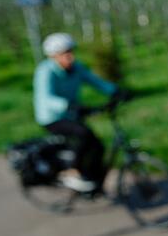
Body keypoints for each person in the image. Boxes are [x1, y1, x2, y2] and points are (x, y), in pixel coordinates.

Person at [34, 33, 118, 193]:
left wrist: (115, 91)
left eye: (71, 51)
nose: (70, 56)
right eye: (65, 53)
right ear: (54, 56)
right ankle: (72, 172)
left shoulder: (77, 68)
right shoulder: (45, 71)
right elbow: (46, 98)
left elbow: (95, 81)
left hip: (71, 114)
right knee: (83, 133)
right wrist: (68, 105)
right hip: (52, 118)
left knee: (98, 146)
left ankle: (94, 183)